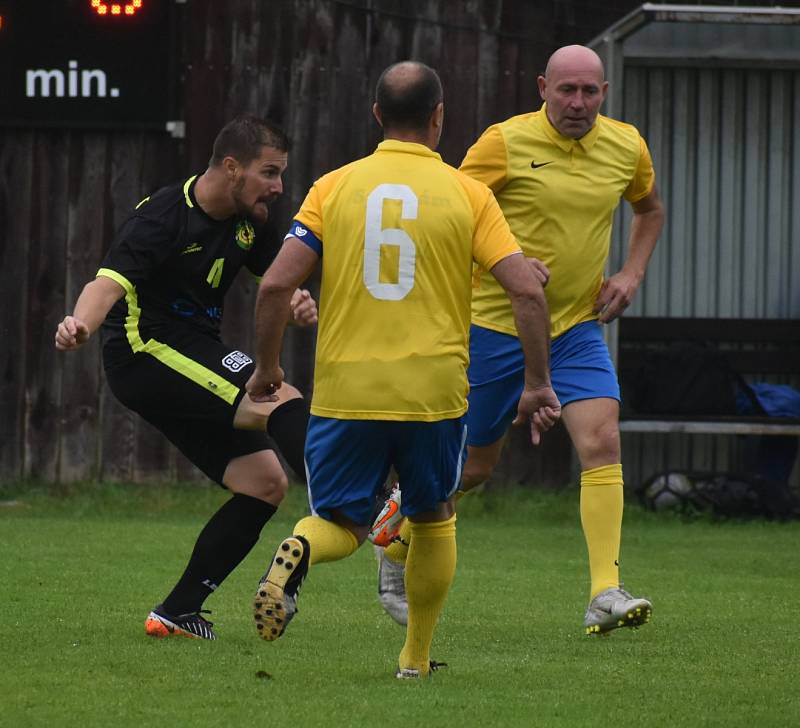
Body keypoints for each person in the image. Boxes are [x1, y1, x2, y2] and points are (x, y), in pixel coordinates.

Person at [245, 61, 561, 678]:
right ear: (439, 118)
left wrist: (267, 369)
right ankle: (414, 661)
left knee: (340, 520)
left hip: (347, 389)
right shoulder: (470, 194)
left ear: (377, 116)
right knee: (433, 515)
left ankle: (298, 548)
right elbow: (526, 292)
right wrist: (538, 383)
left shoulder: (334, 187)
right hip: (433, 393)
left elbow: (276, 285)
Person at [373, 45, 666, 636]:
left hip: (577, 328)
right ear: (542, 86)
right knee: (474, 467)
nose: (578, 102)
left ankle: (604, 592)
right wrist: (506, 257)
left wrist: (631, 273)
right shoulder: (503, 143)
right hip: (493, 326)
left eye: (589, 91)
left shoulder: (627, 145)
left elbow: (650, 210)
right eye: (566, 90)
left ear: (604, 92)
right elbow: (448, 208)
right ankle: (394, 535)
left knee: (602, 439)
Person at [54, 115, 318, 641]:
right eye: (269, 172)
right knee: (275, 395)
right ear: (230, 167)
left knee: (264, 484)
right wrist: (79, 322)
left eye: (281, 174)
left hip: (194, 349)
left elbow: (276, 281)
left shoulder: (252, 218)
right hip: (144, 351)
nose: (278, 186)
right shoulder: (162, 218)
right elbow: (105, 284)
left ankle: (176, 612)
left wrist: (296, 301)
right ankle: (370, 502)